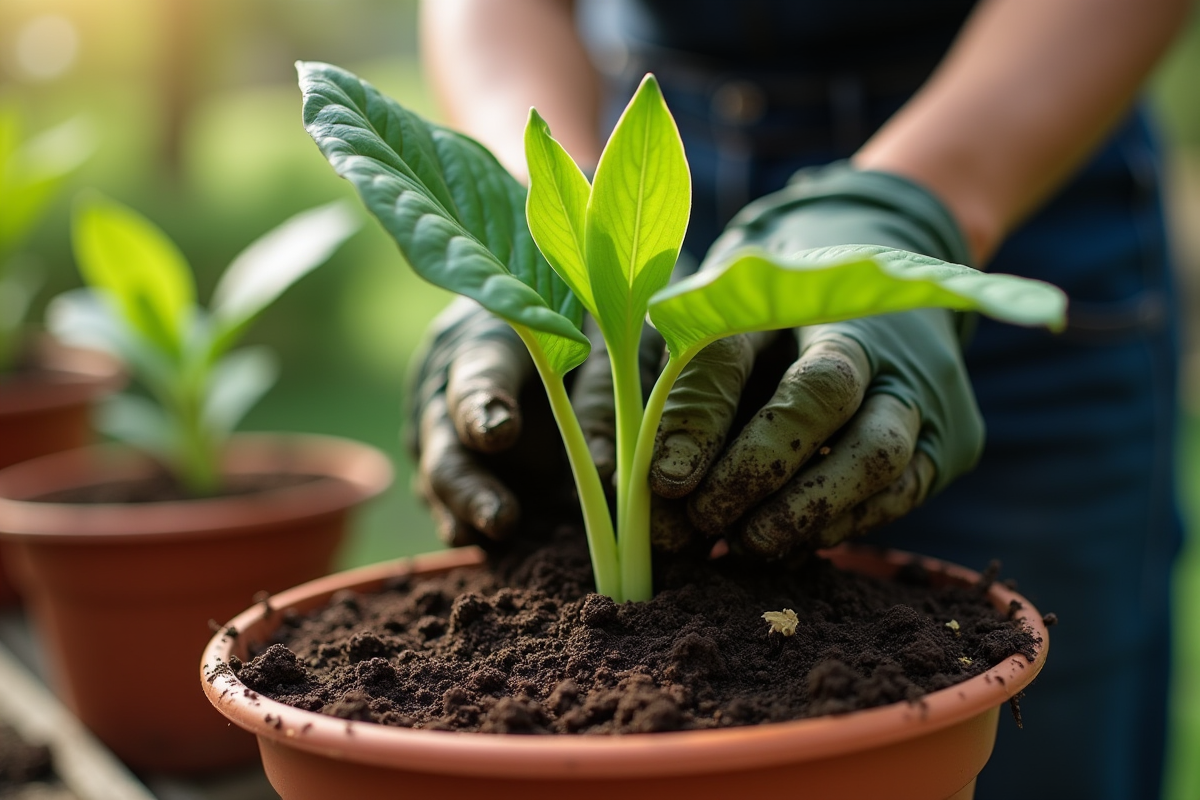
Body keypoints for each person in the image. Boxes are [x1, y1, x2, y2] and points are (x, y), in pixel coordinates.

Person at [414, 1, 1192, 798]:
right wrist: (536, 234)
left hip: (1021, 140)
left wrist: (916, 207)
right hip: (657, 153)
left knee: (1033, 745)